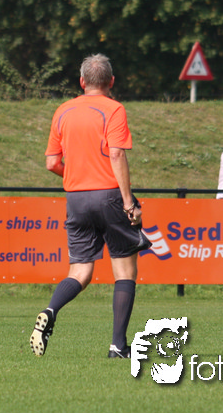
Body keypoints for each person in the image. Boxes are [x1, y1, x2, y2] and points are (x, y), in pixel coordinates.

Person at [30, 53, 151, 359]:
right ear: (111, 82)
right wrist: (128, 202)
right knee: (124, 271)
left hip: (76, 197)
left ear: (82, 81)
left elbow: (52, 163)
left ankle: (51, 309)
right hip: (109, 195)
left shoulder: (63, 110)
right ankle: (117, 346)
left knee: (81, 271)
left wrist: (77, 175)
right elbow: (117, 155)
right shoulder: (113, 109)